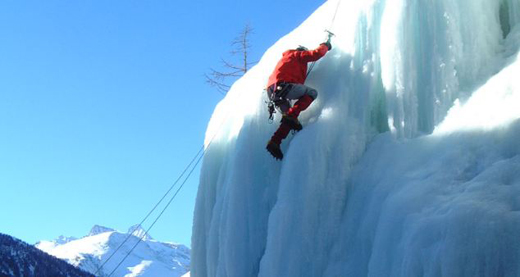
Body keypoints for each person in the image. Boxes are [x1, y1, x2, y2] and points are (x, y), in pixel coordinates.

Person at [265, 40, 332, 160]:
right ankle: (291, 116)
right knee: (312, 93)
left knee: (290, 120)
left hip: (272, 91)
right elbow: (316, 53)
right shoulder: (297, 55)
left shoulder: (285, 60)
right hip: (284, 86)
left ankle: (275, 141)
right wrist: (325, 46)